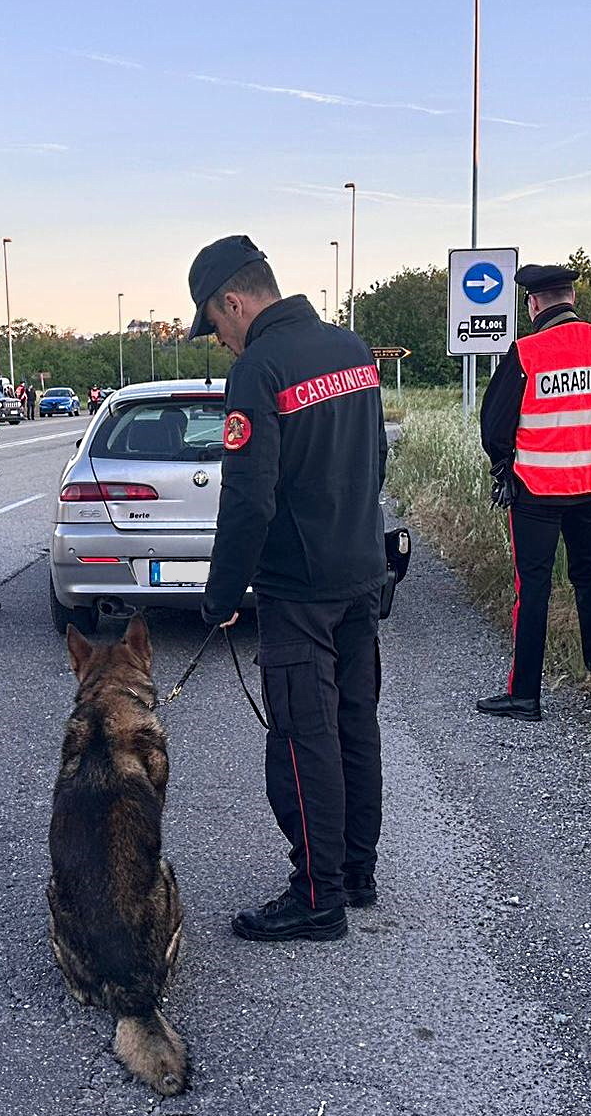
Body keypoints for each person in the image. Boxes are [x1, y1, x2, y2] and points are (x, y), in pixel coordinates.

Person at [193, 235, 389, 944]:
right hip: (361, 571)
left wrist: (218, 597)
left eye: (214, 323)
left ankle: (316, 895)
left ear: (235, 301)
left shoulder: (259, 368)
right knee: (353, 725)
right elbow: (375, 460)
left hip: (298, 587)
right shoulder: (351, 347)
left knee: (302, 740)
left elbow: (248, 499)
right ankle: (356, 872)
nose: (219, 338)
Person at [476, 263, 591, 722]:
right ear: (571, 299)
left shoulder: (527, 352)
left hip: (537, 490)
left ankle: (525, 695)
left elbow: (494, 427)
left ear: (533, 304)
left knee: (533, 588)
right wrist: (588, 439)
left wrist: (504, 462)